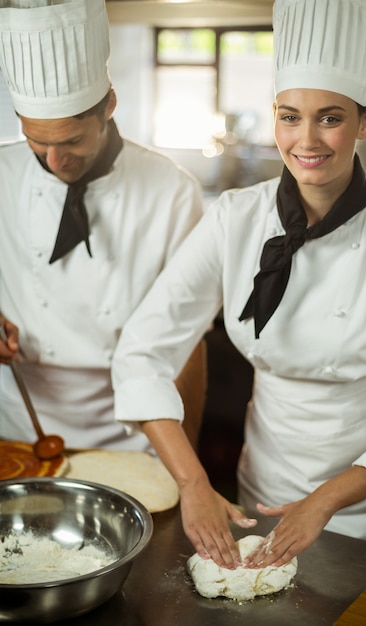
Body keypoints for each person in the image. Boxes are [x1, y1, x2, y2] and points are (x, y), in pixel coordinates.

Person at [111, 0, 366, 569]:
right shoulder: (234, 218)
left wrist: (324, 501)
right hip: (256, 499)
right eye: (289, 115)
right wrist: (194, 483)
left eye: (330, 117)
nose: (307, 139)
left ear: (365, 121)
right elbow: (142, 351)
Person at [0, 0, 205, 453]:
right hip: (17, 427)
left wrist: (183, 469)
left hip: (132, 433)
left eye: (72, 140)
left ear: (109, 105)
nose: (54, 161)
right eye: (36, 141)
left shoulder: (172, 191)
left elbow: (188, 343)